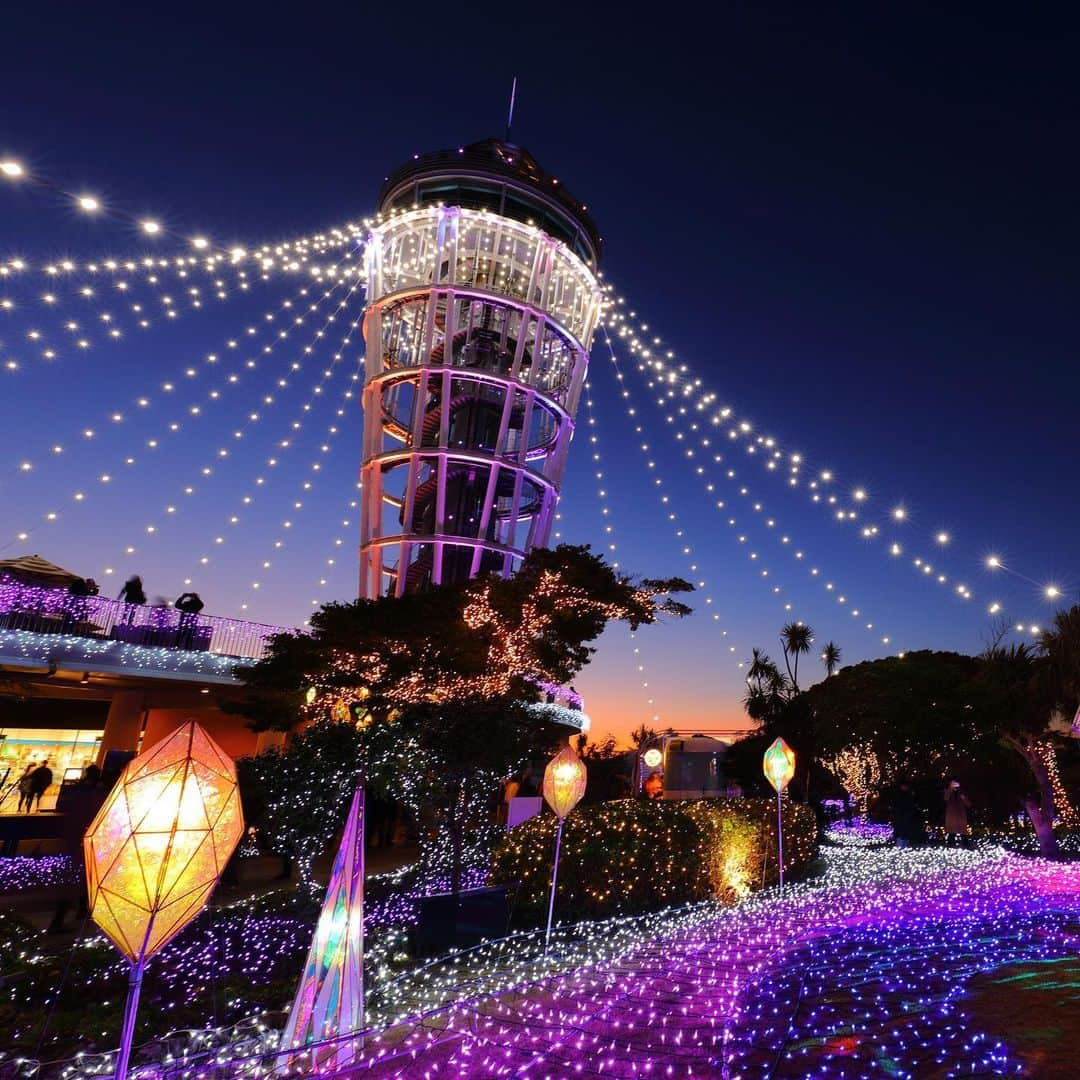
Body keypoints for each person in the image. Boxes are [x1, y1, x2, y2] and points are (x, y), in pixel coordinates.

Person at [47, 765, 105, 933]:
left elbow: (64, 807)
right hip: (87, 841)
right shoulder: (98, 794)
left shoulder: (76, 790)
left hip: (74, 840)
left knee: (74, 879)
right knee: (83, 878)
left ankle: (72, 912)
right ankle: (73, 913)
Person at [892, 780, 921, 848]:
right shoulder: (900, 794)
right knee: (901, 831)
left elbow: (912, 803)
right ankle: (900, 845)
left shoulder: (909, 794)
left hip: (907, 815)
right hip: (901, 815)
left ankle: (904, 844)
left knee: (905, 831)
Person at [944, 779, 972, 848]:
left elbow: (968, 804)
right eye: (953, 784)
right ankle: (950, 845)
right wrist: (950, 788)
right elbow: (946, 798)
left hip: (960, 814)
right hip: (952, 815)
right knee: (951, 832)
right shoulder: (949, 792)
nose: (955, 785)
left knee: (962, 832)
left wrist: (964, 798)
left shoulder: (962, 792)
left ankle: (966, 845)